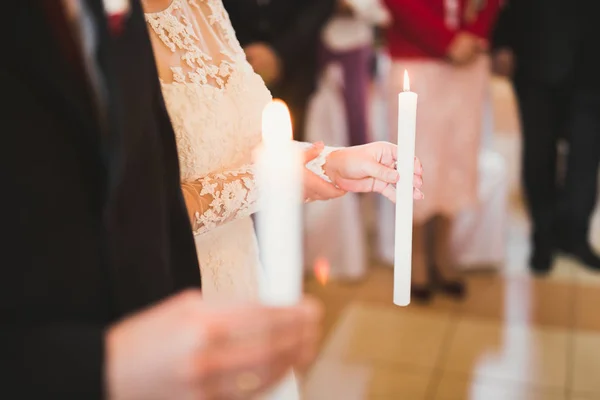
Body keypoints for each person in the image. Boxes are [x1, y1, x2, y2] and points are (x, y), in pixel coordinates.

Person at [1, 1, 322, 398]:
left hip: (193, 315)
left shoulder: (127, 15)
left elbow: (142, 189)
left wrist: (324, 163)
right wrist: (107, 365)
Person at [381, 0, 500, 302]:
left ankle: (442, 253)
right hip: (418, 58)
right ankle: (417, 254)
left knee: (456, 158)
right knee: (417, 157)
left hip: (468, 63)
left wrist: (473, 35)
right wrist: (446, 41)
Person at [492, 0, 600, 273]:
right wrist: (501, 42)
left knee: (586, 157)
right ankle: (543, 234)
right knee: (539, 153)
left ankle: (576, 234)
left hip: (591, 65)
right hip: (535, 57)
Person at [222, 0, 337, 141]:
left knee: (295, 145)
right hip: (233, 62)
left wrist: (280, 52)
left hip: (295, 67)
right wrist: (239, 52)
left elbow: (320, 6)